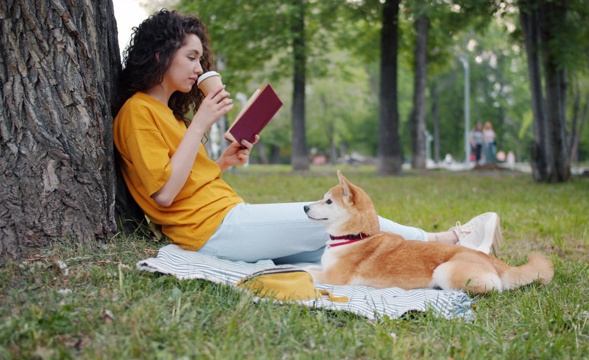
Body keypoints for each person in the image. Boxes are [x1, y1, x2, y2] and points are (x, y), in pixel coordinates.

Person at [113, 9, 501, 265]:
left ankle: (452, 262)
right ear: (162, 55)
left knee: (343, 251)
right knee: (341, 217)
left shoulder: (167, 114)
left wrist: (223, 162)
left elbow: (184, 184)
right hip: (213, 229)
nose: (199, 69)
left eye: (201, 59)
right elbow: (163, 194)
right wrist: (201, 125)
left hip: (223, 218)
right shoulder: (137, 111)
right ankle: (447, 239)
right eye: (191, 57)